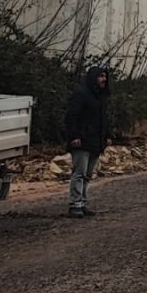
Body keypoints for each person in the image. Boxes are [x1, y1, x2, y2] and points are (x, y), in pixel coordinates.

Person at [64, 66, 111, 219]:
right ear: (93, 78)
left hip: (95, 142)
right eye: (101, 76)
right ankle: (75, 204)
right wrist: (74, 136)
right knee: (80, 173)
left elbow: (103, 119)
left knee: (88, 174)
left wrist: (106, 136)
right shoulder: (81, 94)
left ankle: (82, 203)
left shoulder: (101, 97)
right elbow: (71, 116)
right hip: (82, 141)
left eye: (105, 76)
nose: (103, 79)